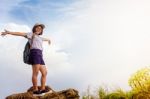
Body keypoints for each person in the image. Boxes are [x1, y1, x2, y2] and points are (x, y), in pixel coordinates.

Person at [1, 23, 51, 96]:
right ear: (34, 29)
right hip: (35, 53)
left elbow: (45, 39)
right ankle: (35, 91)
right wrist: (9, 32)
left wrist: (49, 40)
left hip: (40, 54)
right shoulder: (31, 34)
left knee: (44, 72)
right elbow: (20, 33)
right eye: (37, 28)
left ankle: (43, 89)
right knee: (35, 73)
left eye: (40, 28)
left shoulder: (40, 37)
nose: (39, 29)